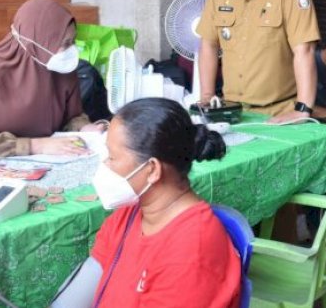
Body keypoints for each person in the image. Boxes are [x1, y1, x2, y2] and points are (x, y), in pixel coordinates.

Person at [57, 98, 241, 308]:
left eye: (112, 157)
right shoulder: (128, 217)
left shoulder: (191, 251)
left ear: (152, 169)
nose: (104, 166)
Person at [0, 0, 105, 160]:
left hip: (51, 159)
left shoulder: (62, 69)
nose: (72, 50)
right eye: (65, 43)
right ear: (38, 42)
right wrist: (34, 146)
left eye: (73, 41)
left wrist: (84, 127)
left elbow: (71, 115)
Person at [196, 0, 320, 124]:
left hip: (278, 113)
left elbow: (304, 51)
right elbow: (208, 44)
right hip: (231, 111)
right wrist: (207, 97)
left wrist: (303, 108)